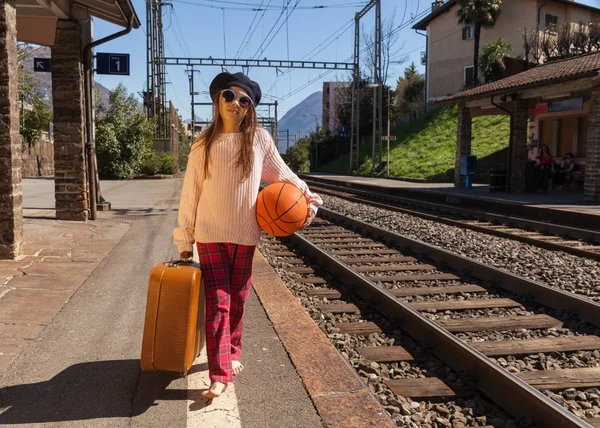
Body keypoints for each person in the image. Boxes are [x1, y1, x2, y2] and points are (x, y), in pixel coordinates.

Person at [173, 72, 323, 400]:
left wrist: (309, 199)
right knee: (219, 301)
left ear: (250, 108)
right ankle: (220, 373)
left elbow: (284, 175)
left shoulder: (259, 140)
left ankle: (232, 350)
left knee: (238, 299)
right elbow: (190, 191)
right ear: (217, 99)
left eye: (244, 100)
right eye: (229, 96)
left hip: (245, 234)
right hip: (209, 232)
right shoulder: (203, 142)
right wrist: (184, 237)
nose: (236, 104)